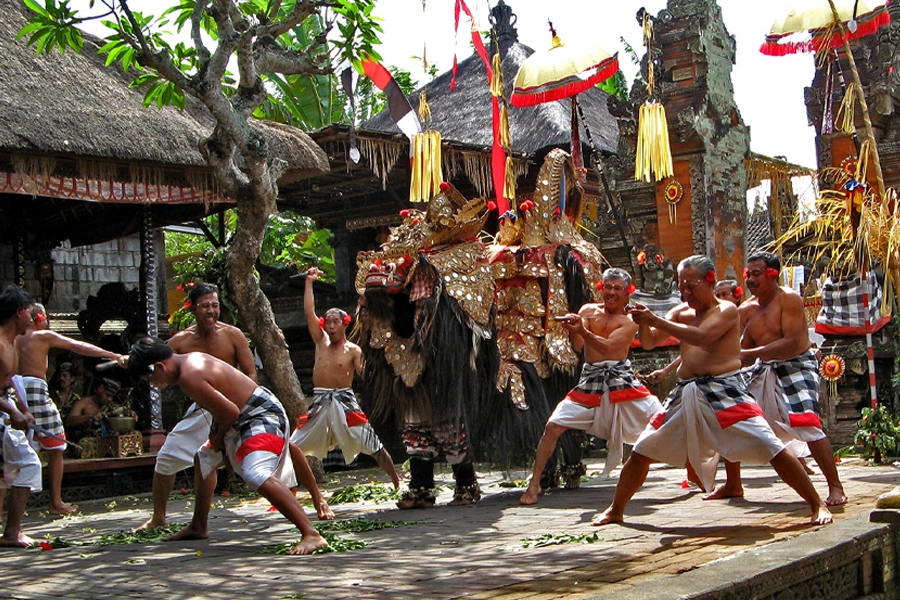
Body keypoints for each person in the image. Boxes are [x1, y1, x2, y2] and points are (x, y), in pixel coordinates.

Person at [592, 256, 832, 527]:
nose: (686, 292)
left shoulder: (727, 310)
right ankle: (616, 509)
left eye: (691, 285)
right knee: (643, 448)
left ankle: (816, 502)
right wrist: (644, 322)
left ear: (709, 281)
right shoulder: (680, 312)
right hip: (685, 392)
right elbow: (649, 343)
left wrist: (656, 321)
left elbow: (703, 337)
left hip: (725, 389)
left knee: (770, 445)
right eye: (681, 286)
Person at [138, 282, 333, 531]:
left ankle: (317, 503)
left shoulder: (232, 334)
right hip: (205, 409)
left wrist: (231, 415)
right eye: (204, 306)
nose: (211, 311)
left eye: (215, 305)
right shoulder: (180, 343)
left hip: (244, 407)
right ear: (192, 308)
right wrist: (129, 359)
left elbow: (249, 375)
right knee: (185, 457)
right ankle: (172, 520)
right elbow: (156, 356)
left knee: (282, 450)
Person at [127, 336, 327, 555]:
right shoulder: (189, 361)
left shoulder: (189, 375)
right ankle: (198, 526)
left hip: (261, 416)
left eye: (152, 379)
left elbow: (230, 411)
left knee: (255, 473)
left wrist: (220, 439)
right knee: (204, 458)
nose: (155, 384)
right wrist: (217, 437)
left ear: (159, 367)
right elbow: (220, 407)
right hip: (242, 419)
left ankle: (311, 533)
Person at [703, 252, 846, 506]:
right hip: (763, 368)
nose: (750, 280)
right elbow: (742, 351)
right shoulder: (746, 310)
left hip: (796, 365)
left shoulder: (789, 299)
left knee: (807, 422)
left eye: (757, 274)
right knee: (732, 415)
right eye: (748, 275)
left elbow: (790, 343)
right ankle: (733, 484)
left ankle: (835, 486)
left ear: (772, 274)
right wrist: (720, 368)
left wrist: (750, 354)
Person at [519, 268, 661, 505]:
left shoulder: (629, 321)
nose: (612, 292)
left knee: (661, 419)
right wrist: (574, 327)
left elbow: (607, 347)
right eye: (608, 287)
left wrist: (582, 329)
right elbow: (577, 345)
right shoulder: (587, 310)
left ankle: (693, 469)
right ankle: (534, 486)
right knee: (553, 425)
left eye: (617, 288)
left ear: (627, 293)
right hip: (590, 381)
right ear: (600, 289)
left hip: (621, 381)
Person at [291, 267, 400, 489]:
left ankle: (397, 482)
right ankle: (286, 487)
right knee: (292, 444)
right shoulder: (320, 342)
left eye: (334, 322)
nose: (330, 326)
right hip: (320, 400)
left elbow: (366, 374)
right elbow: (309, 311)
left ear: (344, 324)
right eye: (327, 322)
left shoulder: (353, 350)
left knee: (372, 442)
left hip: (345, 400)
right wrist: (309, 282)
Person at [15, 304, 126, 515]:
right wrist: (112, 355)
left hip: (12, 391)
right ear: (39, 318)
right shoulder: (42, 336)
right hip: (33, 390)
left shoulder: (9, 337)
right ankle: (55, 501)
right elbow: (77, 346)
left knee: (11, 446)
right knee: (57, 445)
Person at [0, 285, 43, 547]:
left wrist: (22, 408)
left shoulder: (13, 340)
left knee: (18, 466)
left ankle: (11, 532)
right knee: (29, 463)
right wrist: (13, 410)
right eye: (29, 311)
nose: (33, 316)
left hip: (5, 415)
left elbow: (10, 380)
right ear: (19, 313)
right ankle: (12, 532)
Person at [65, 378, 133, 441]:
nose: (109, 399)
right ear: (100, 390)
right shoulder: (83, 403)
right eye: (107, 395)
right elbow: (69, 421)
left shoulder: (110, 406)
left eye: (112, 397)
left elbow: (121, 412)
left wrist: (129, 414)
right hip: (87, 441)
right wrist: (89, 416)